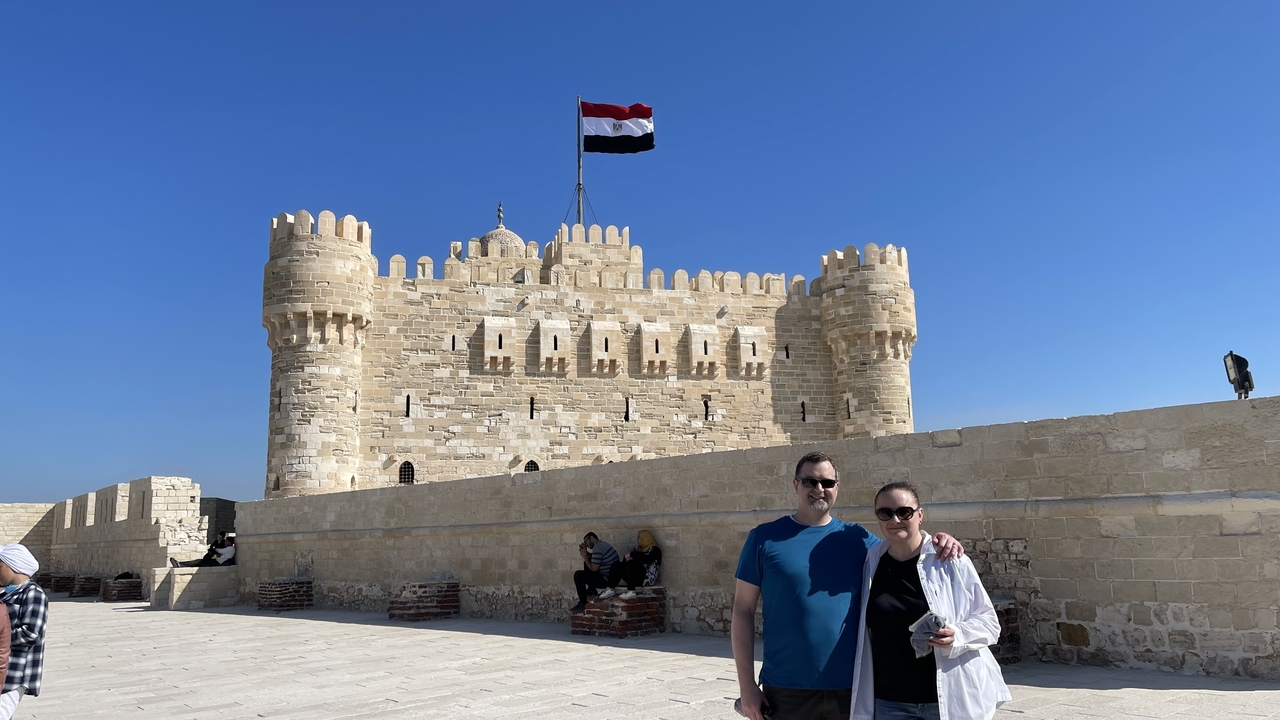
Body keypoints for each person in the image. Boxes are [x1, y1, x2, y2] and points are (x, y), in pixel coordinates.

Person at [732, 452, 965, 720]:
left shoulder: (859, 540)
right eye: (810, 481)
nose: (819, 489)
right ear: (796, 485)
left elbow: (904, 546)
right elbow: (742, 610)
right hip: (786, 687)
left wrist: (938, 540)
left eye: (827, 482)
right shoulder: (763, 538)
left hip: (854, 687)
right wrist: (747, 686)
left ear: (837, 487)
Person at [851, 482, 1010, 720]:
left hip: (946, 696)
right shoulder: (870, 562)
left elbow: (989, 622)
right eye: (885, 513)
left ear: (920, 514)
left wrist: (957, 634)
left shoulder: (950, 559)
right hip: (890, 701)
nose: (895, 519)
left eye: (904, 512)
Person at [0, 544, 48, 720]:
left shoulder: (33, 594)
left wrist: (3, 638)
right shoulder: (5, 593)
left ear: (14, 567)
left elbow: (30, 633)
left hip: (17, 670)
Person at [570, 532, 619, 612]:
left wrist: (585, 557)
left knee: (578, 575)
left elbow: (594, 569)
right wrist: (586, 553)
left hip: (607, 580)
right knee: (588, 562)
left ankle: (582, 602)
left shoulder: (597, 548)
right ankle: (591, 590)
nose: (586, 544)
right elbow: (594, 558)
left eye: (586, 541)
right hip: (611, 577)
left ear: (592, 538)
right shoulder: (602, 544)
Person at [614, 530, 662, 599]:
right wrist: (626, 558)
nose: (637, 540)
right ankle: (611, 588)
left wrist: (633, 556)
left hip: (646, 578)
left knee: (631, 563)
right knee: (617, 565)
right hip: (635, 577)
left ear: (645, 538)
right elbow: (629, 560)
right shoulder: (637, 549)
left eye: (639, 538)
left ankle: (631, 591)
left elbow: (646, 559)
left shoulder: (655, 550)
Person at [169, 534, 236, 568]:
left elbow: (219, 551)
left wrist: (214, 549)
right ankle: (180, 564)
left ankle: (180, 565)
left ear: (229, 542)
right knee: (199, 561)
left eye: (226, 541)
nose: (225, 542)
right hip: (216, 560)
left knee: (199, 562)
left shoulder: (231, 549)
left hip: (217, 562)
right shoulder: (229, 548)